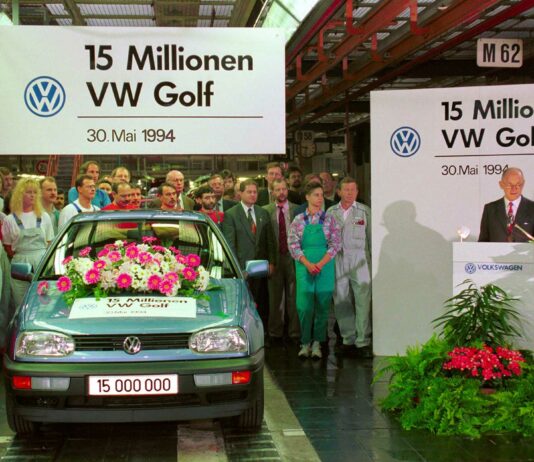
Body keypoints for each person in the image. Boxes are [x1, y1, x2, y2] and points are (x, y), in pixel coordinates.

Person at [288, 181, 341, 359]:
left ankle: (318, 342)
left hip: (324, 267)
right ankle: (305, 343)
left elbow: (335, 244)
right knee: (304, 306)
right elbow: (293, 244)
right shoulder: (298, 220)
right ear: (307, 197)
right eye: (316, 195)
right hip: (304, 267)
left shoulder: (329, 219)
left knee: (323, 306)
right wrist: (308, 264)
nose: (320, 198)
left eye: (321, 195)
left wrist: (320, 263)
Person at [328, 177, 372, 358]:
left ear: (357, 192)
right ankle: (348, 339)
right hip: (338, 258)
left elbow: (371, 238)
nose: (349, 193)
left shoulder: (365, 211)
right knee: (341, 299)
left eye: (353, 190)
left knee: (363, 299)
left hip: (360, 258)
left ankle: (363, 341)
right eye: (346, 190)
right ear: (339, 191)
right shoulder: (331, 212)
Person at [223, 179, 275, 329]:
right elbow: (230, 245)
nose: (253, 195)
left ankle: (263, 333)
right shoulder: (231, 214)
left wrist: (272, 263)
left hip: (261, 267)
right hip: (242, 268)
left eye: (255, 192)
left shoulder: (263, 212)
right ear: (240, 193)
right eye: (249, 192)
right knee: (244, 305)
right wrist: (237, 269)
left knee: (262, 304)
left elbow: (270, 241)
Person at [2, 178, 54, 306]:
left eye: (35, 192)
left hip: (41, 262)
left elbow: (49, 242)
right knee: (21, 303)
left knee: (43, 302)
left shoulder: (44, 216)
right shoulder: (9, 220)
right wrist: (22, 256)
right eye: (28, 192)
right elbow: (8, 247)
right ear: (20, 194)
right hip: (20, 263)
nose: (32, 195)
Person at [262, 178, 300, 345]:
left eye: (284, 189)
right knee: (275, 298)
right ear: (272, 192)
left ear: (288, 189)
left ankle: (294, 333)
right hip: (275, 258)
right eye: (278, 190)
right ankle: (275, 333)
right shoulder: (266, 211)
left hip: (294, 257)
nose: (281, 192)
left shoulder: (297, 210)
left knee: (294, 297)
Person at [479, 167, 534, 242]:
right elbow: (483, 242)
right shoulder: (490, 209)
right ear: (501, 184)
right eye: (509, 184)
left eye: (518, 184)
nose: (514, 188)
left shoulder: (532, 208)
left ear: (523, 184)